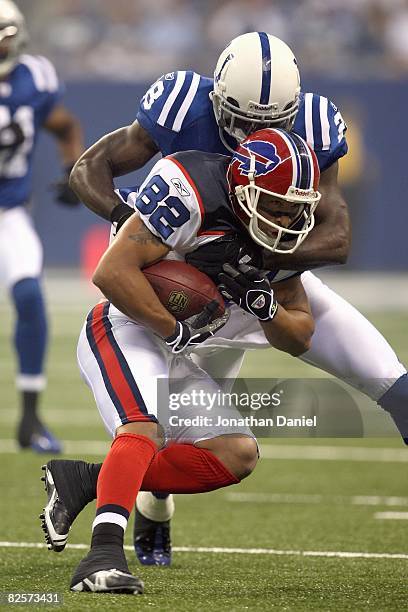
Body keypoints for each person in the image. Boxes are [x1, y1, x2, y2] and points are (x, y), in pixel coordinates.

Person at [68, 31, 407, 563]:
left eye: (271, 123)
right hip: (183, 289)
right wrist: (129, 224)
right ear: (218, 99)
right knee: (174, 426)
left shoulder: (315, 125)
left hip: (263, 278)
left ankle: (98, 482)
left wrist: (253, 264)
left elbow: (336, 237)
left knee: (397, 387)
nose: (256, 133)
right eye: (244, 121)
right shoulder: (184, 110)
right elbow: (91, 167)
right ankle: (150, 511)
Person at [41, 127, 321, 594]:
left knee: (238, 453)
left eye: (295, 209)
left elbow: (300, 337)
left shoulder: (281, 238)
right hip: (127, 326)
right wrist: (176, 330)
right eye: (275, 206)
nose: (285, 219)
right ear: (244, 187)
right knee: (143, 428)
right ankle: (101, 555)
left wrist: (266, 307)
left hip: (181, 346)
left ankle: (88, 479)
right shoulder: (189, 189)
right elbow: (110, 271)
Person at [0, 0, 84, 452]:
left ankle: (30, 418)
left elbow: (65, 124)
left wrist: (73, 167)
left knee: (31, 297)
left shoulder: (34, 79)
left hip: (9, 213)